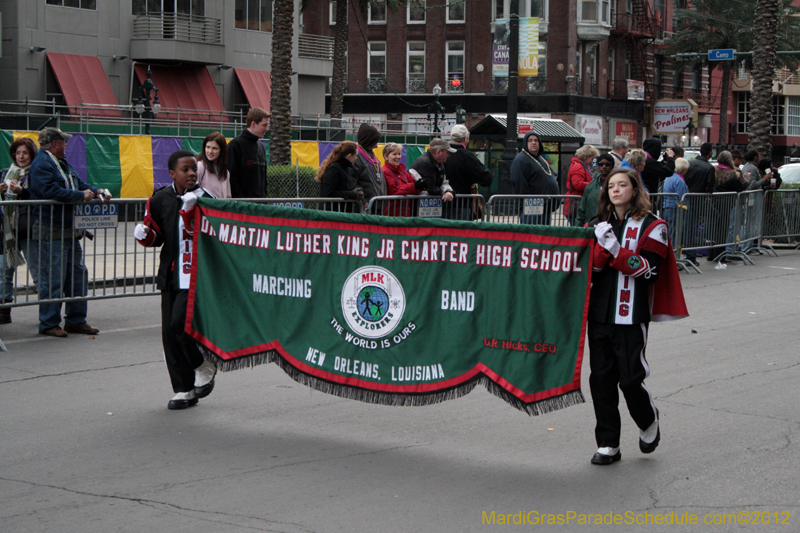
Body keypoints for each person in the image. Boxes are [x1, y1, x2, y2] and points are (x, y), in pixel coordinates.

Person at [587, 168, 688, 465]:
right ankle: (608, 443)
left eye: (622, 185)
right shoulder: (596, 223)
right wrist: (599, 253)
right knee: (601, 380)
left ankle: (648, 421)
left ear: (635, 189)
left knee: (631, 380)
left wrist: (616, 250)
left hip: (631, 314)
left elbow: (650, 271)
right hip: (599, 314)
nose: (615, 190)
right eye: (611, 186)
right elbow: (588, 270)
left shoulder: (654, 225)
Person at [134, 150, 217, 410]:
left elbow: (216, 234)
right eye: (185, 170)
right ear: (172, 173)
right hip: (170, 274)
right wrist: (144, 234)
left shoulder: (207, 199)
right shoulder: (160, 199)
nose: (192, 174)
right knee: (169, 333)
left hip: (197, 275)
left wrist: (195, 213)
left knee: (180, 324)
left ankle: (202, 364)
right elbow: (156, 236)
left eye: (194, 169)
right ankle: (183, 389)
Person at [29, 127, 111, 338]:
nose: (66, 144)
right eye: (63, 141)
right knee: (53, 277)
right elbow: (50, 191)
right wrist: (79, 195)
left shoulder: (61, 162)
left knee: (77, 275)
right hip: (50, 230)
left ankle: (76, 320)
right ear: (55, 144)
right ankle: (48, 323)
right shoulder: (41, 164)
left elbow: (78, 183)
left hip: (68, 229)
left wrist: (96, 190)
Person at [0, 138, 39, 324]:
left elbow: (41, 195)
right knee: (4, 272)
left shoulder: (37, 174)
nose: (21, 156)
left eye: (25, 153)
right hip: (8, 230)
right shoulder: (5, 173)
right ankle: (4, 311)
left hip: (30, 229)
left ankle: (48, 315)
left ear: (32, 154)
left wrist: (22, 192)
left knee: (38, 271)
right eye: (18, 153)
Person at [444, 124, 493, 220]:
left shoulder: (442, 153)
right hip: (461, 205)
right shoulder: (467, 156)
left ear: (451, 137)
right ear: (466, 139)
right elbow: (486, 178)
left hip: (441, 203)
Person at [510, 131, 559, 224]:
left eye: (536, 140)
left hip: (544, 207)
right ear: (525, 143)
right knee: (533, 236)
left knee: (543, 236)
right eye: (530, 140)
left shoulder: (540, 158)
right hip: (531, 207)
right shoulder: (520, 160)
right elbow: (518, 182)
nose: (533, 142)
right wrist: (529, 201)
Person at [682, 142, 716, 263]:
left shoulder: (690, 164)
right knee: (694, 226)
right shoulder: (709, 168)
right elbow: (710, 187)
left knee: (687, 227)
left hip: (687, 198)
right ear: (710, 153)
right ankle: (691, 254)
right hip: (699, 200)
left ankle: (688, 252)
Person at [708, 151, 745, 262]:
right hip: (726, 203)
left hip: (713, 202)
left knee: (713, 229)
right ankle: (721, 255)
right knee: (723, 229)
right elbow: (740, 188)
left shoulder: (713, 170)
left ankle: (712, 254)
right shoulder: (732, 174)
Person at [227, 107, 270, 198]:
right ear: (253, 124)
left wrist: (264, 198)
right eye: (264, 125)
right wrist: (242, 201)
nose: (267, 129)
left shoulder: (260, 146)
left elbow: (264, 179)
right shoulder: (235, 145)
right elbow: (231, 178)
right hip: (243, 206)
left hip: (260, 205)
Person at [315, 141, 364, 212]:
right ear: (349, 156)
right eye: (356, 155)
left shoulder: (346, 168)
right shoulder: (334, 168)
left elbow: (344, 187)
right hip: (331, 212)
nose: (356, 158)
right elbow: (329, 193)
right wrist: (352, 193)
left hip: (339, 211)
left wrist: (355, 191)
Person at [409, 138, 456, 207]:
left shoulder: (439, 163)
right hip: (418, 206)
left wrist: (449, 192)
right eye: (447, 152)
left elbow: (443, 182)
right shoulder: (424, 163)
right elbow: (430, 189)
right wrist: (444, 192)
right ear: (439, 152)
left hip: (425, 206)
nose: (448, 155)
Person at [382, 142, 423, 217]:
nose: (398, 157)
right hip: (391, 214)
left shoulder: (402, 172)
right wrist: (414, 186)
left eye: (399, 154)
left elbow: (414, 185)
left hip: (404, 213)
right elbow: (394, 190)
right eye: (394, 154)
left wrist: (422, 185)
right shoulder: (385, 171)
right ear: (386, 156)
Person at [575, 153, 614, 228]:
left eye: (607, 164)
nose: (604, 167)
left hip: (610, 228)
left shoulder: (616, 186)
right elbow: (582, 210)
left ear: (612, 166)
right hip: (591, 227)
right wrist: (578, 229)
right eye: (601, 164)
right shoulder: (590, 186)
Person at [352, 123, 387, 207]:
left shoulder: (372, 155)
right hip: (366, 206)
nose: (377, 143)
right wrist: (364, 202)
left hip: (377, 203)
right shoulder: (356, 157)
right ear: (369, 140)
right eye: (375, 140)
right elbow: (353, 182)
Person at [565, 144, 599, 225]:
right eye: (592, 158)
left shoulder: (581, 165)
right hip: (576, 203)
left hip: (578, 201)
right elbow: (577, 184)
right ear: (586, 156)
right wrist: (592, 185)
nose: (592, 160)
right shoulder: (579, 166)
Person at [662, 157, 690, 246]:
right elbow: (681, 198)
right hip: (674, 208)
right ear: (684, 169)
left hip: (665, 206)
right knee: (673, 232)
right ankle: (672, 253)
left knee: (667, 232)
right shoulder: (680, 181)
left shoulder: (669, 178)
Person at [197, 132, 231, 199]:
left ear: (222, 150)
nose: (210, 151)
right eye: (208, 147)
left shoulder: (226, 173)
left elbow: (228, 197)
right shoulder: (200, 166)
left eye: (214, 148)